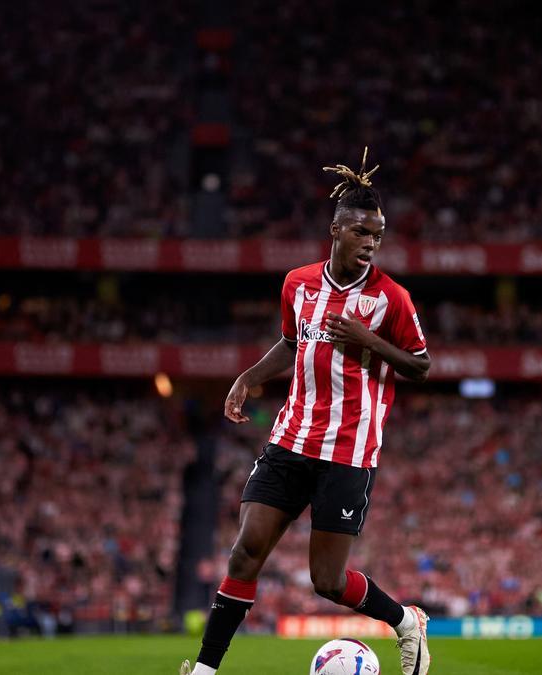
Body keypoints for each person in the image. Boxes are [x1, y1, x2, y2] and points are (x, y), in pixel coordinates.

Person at [182, 149, 433, 675]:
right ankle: (205, 671)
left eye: (377, 236)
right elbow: (292, 342)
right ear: (336, 230)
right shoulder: (298, 283)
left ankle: (405, 621)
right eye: (361, 232)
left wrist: (369, 340)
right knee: (245, 552)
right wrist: (249, 377)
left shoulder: (393, 300)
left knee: (328, 581)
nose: (370, 243)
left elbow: (420, 365)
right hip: (290, 438)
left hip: (348, 450)